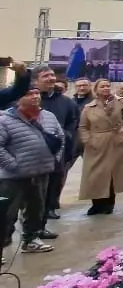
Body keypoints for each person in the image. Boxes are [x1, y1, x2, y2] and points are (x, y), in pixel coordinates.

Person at [0, 86, 64, 254]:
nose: (35, 96)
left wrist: (54, 159)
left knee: (36, 209)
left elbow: (60, 137)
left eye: (37, 93)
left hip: (41, 172)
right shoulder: (5, 120)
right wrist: (14, 165)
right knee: (7, 214)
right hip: (13, 177)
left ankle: (30, 240)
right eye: (29, 94)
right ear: (17, 99)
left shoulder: (48, 116)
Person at [78, 79, 123, 216]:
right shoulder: (89, 107)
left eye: (108, 86)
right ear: (96, 89)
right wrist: (87, 140)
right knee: (95, 175)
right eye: (102, 86)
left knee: (112, 174)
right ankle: (96, 204)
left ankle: (109, 204)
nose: (106, 88)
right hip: (96, 144)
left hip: (117, 141)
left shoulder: (121, 102)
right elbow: (83, 127)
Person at [35, 67, 75, 231]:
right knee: (33, 192)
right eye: (46, 76)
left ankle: (43, 223)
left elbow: (73, 121)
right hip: (33, 153)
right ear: (35, 81)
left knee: (52, 184)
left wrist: (66, 135)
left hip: (57, 151)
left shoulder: (66, 102)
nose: (51, 78)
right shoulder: (29, 98)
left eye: (52, 75)